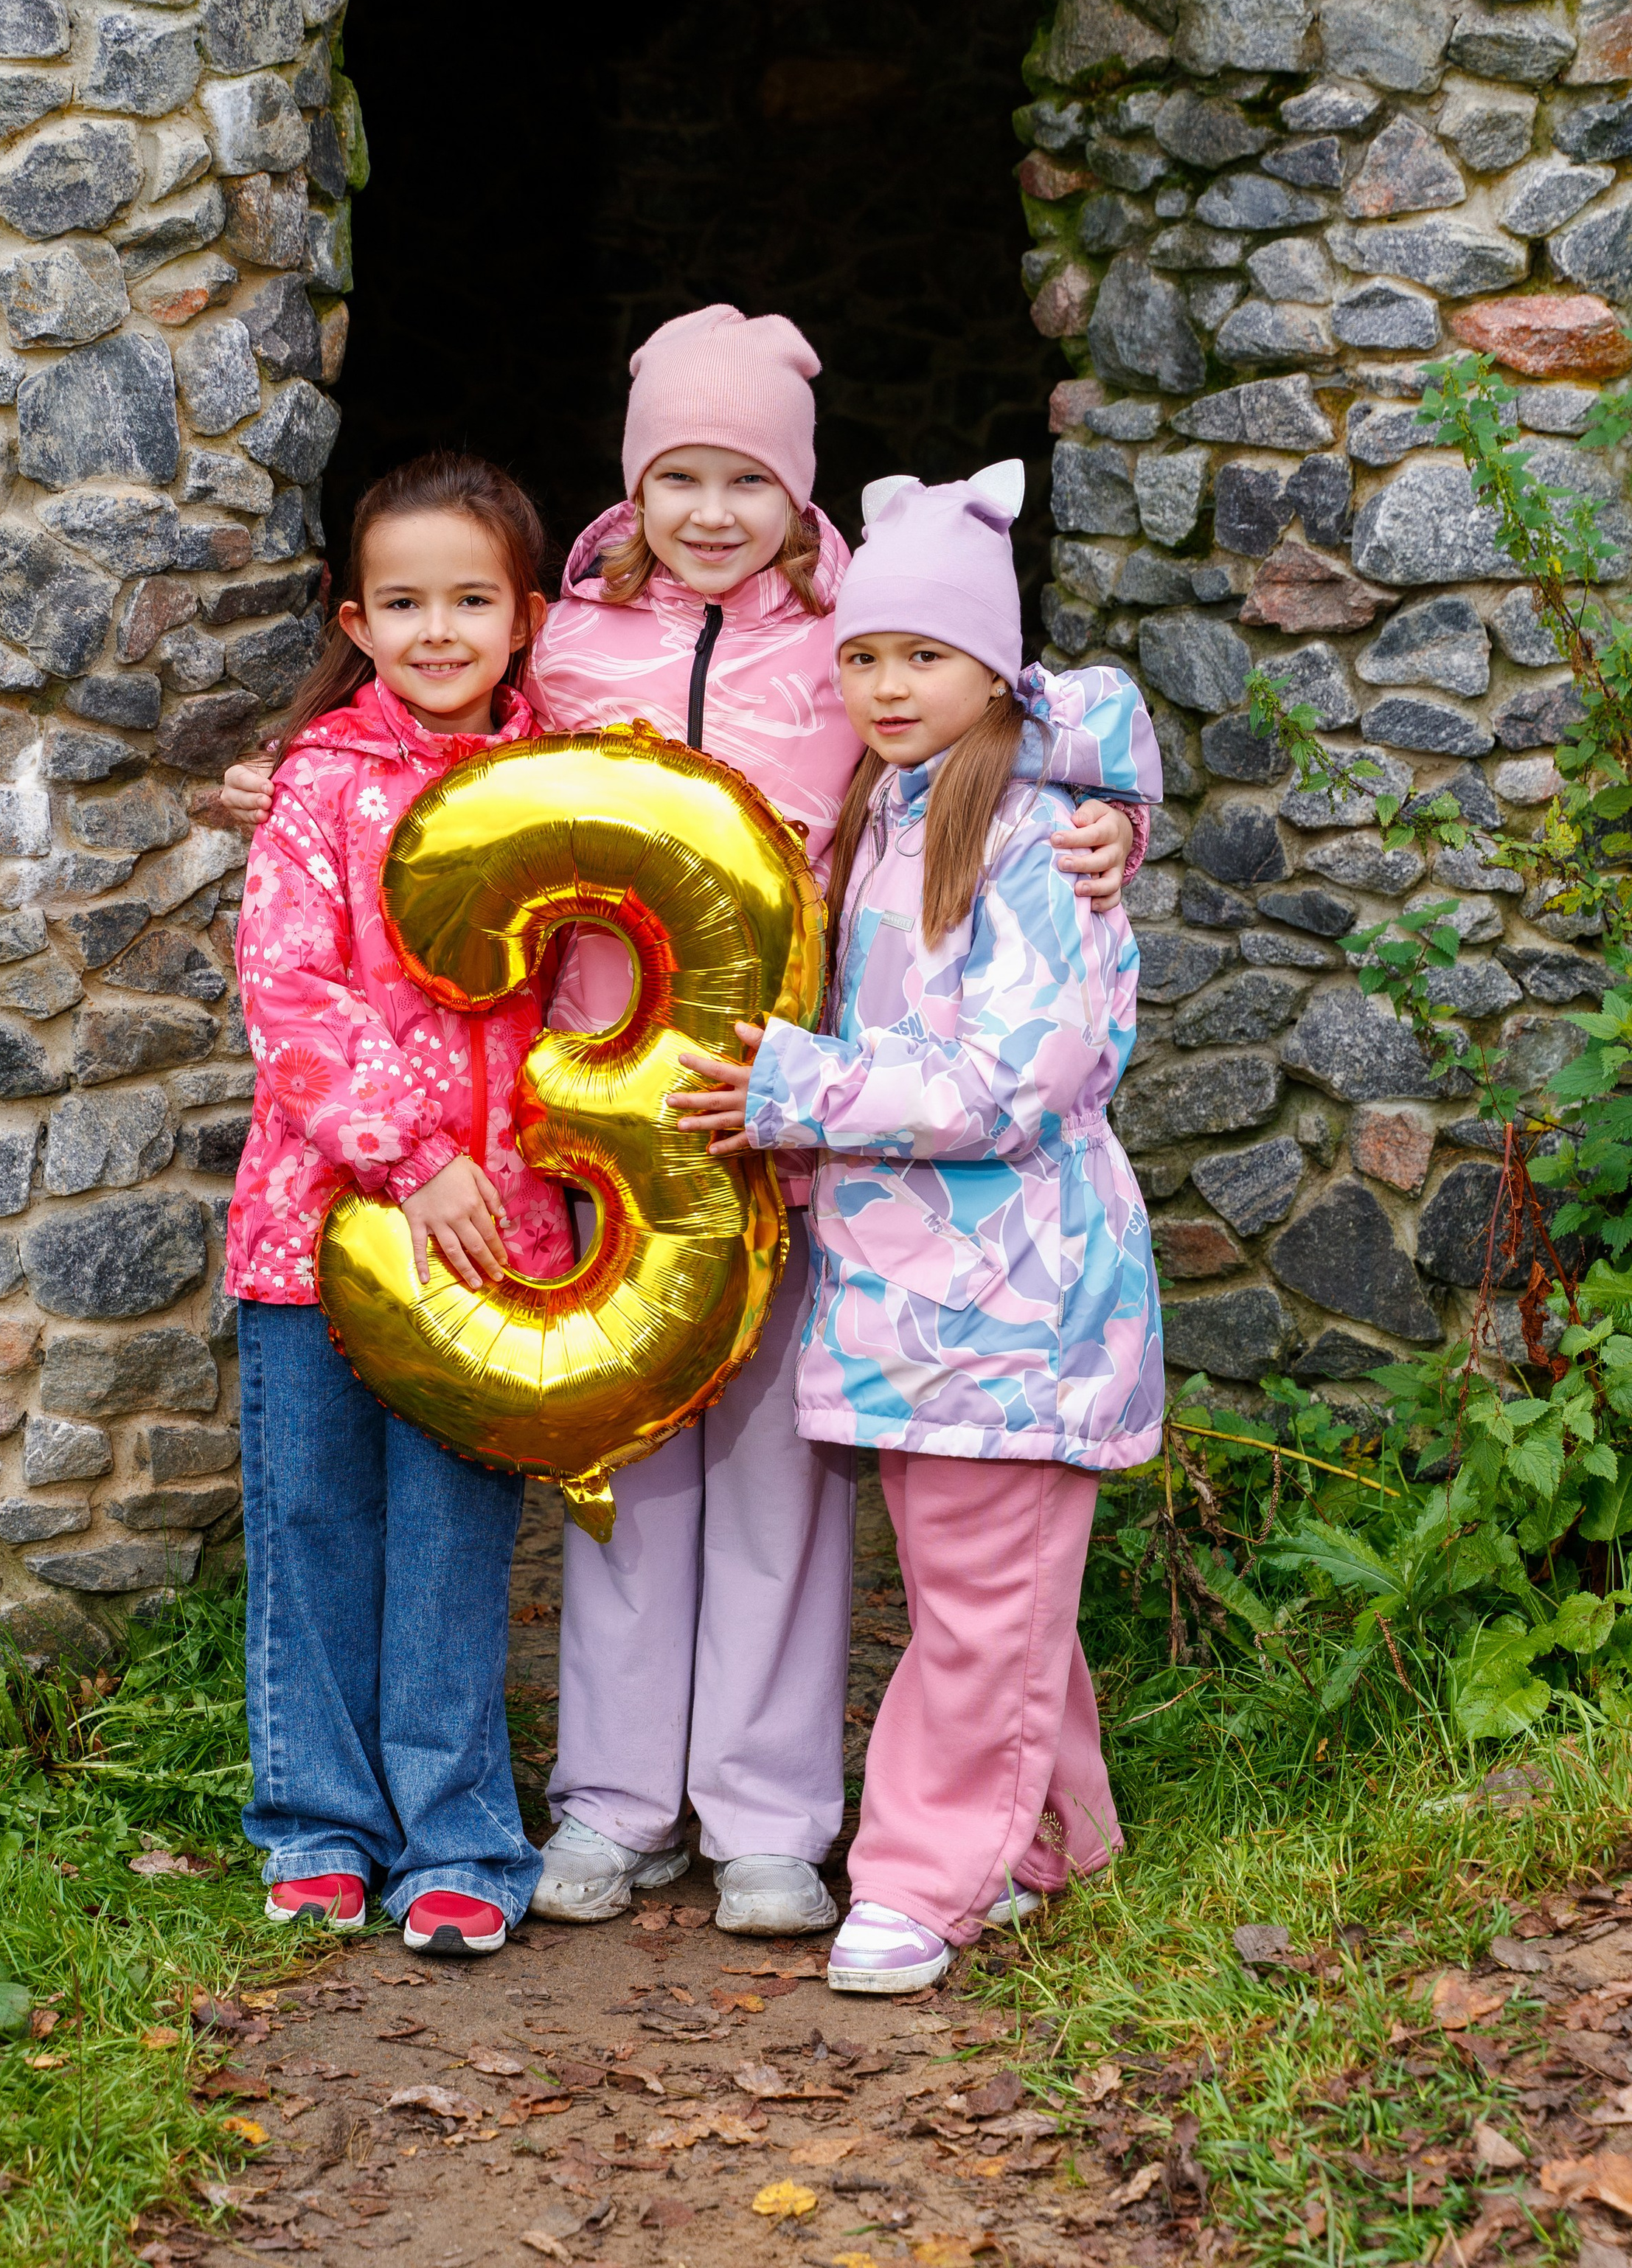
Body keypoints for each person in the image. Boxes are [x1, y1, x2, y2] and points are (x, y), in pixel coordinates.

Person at [222, 304, 1159, 1942]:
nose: (711, 512)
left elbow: (1009, 696)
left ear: (798, 495)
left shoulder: (847, 641)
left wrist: (1110, 811)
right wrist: (289, 771)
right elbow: (451, 764)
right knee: (624, 1473)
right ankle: (609, 1800)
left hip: (787, 1124)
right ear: (632, 487)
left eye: (745, 479)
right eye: (678, 476)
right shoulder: (572, 646)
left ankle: (769, 1813)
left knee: (781, 1479)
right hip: (596, 1129)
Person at [670, 462, 1164, 1997]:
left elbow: (1019, 1076)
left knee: (974, 1596)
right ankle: (1050, 1837)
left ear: (991, 667)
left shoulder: (1031, 835)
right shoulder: (897, 811)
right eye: (864, 656)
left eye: (923, 656)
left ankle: (916, 1880)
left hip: (1013, 1290)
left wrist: (789, 1089)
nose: (885, 683)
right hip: (923, 1288)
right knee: (991, 1592)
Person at [226, 451, 575, 1957]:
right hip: (316, 1229)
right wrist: (408, 1155)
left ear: (526, 616)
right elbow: (287, 987)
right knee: (312, 1520)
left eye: (470, 600)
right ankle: (316, 1826)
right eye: (405, 601)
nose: (438, 629)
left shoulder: (569, 786)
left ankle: (458, 1843)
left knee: (449, 1539)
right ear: (356, 621)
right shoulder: (318, 790)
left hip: (493, 1244)